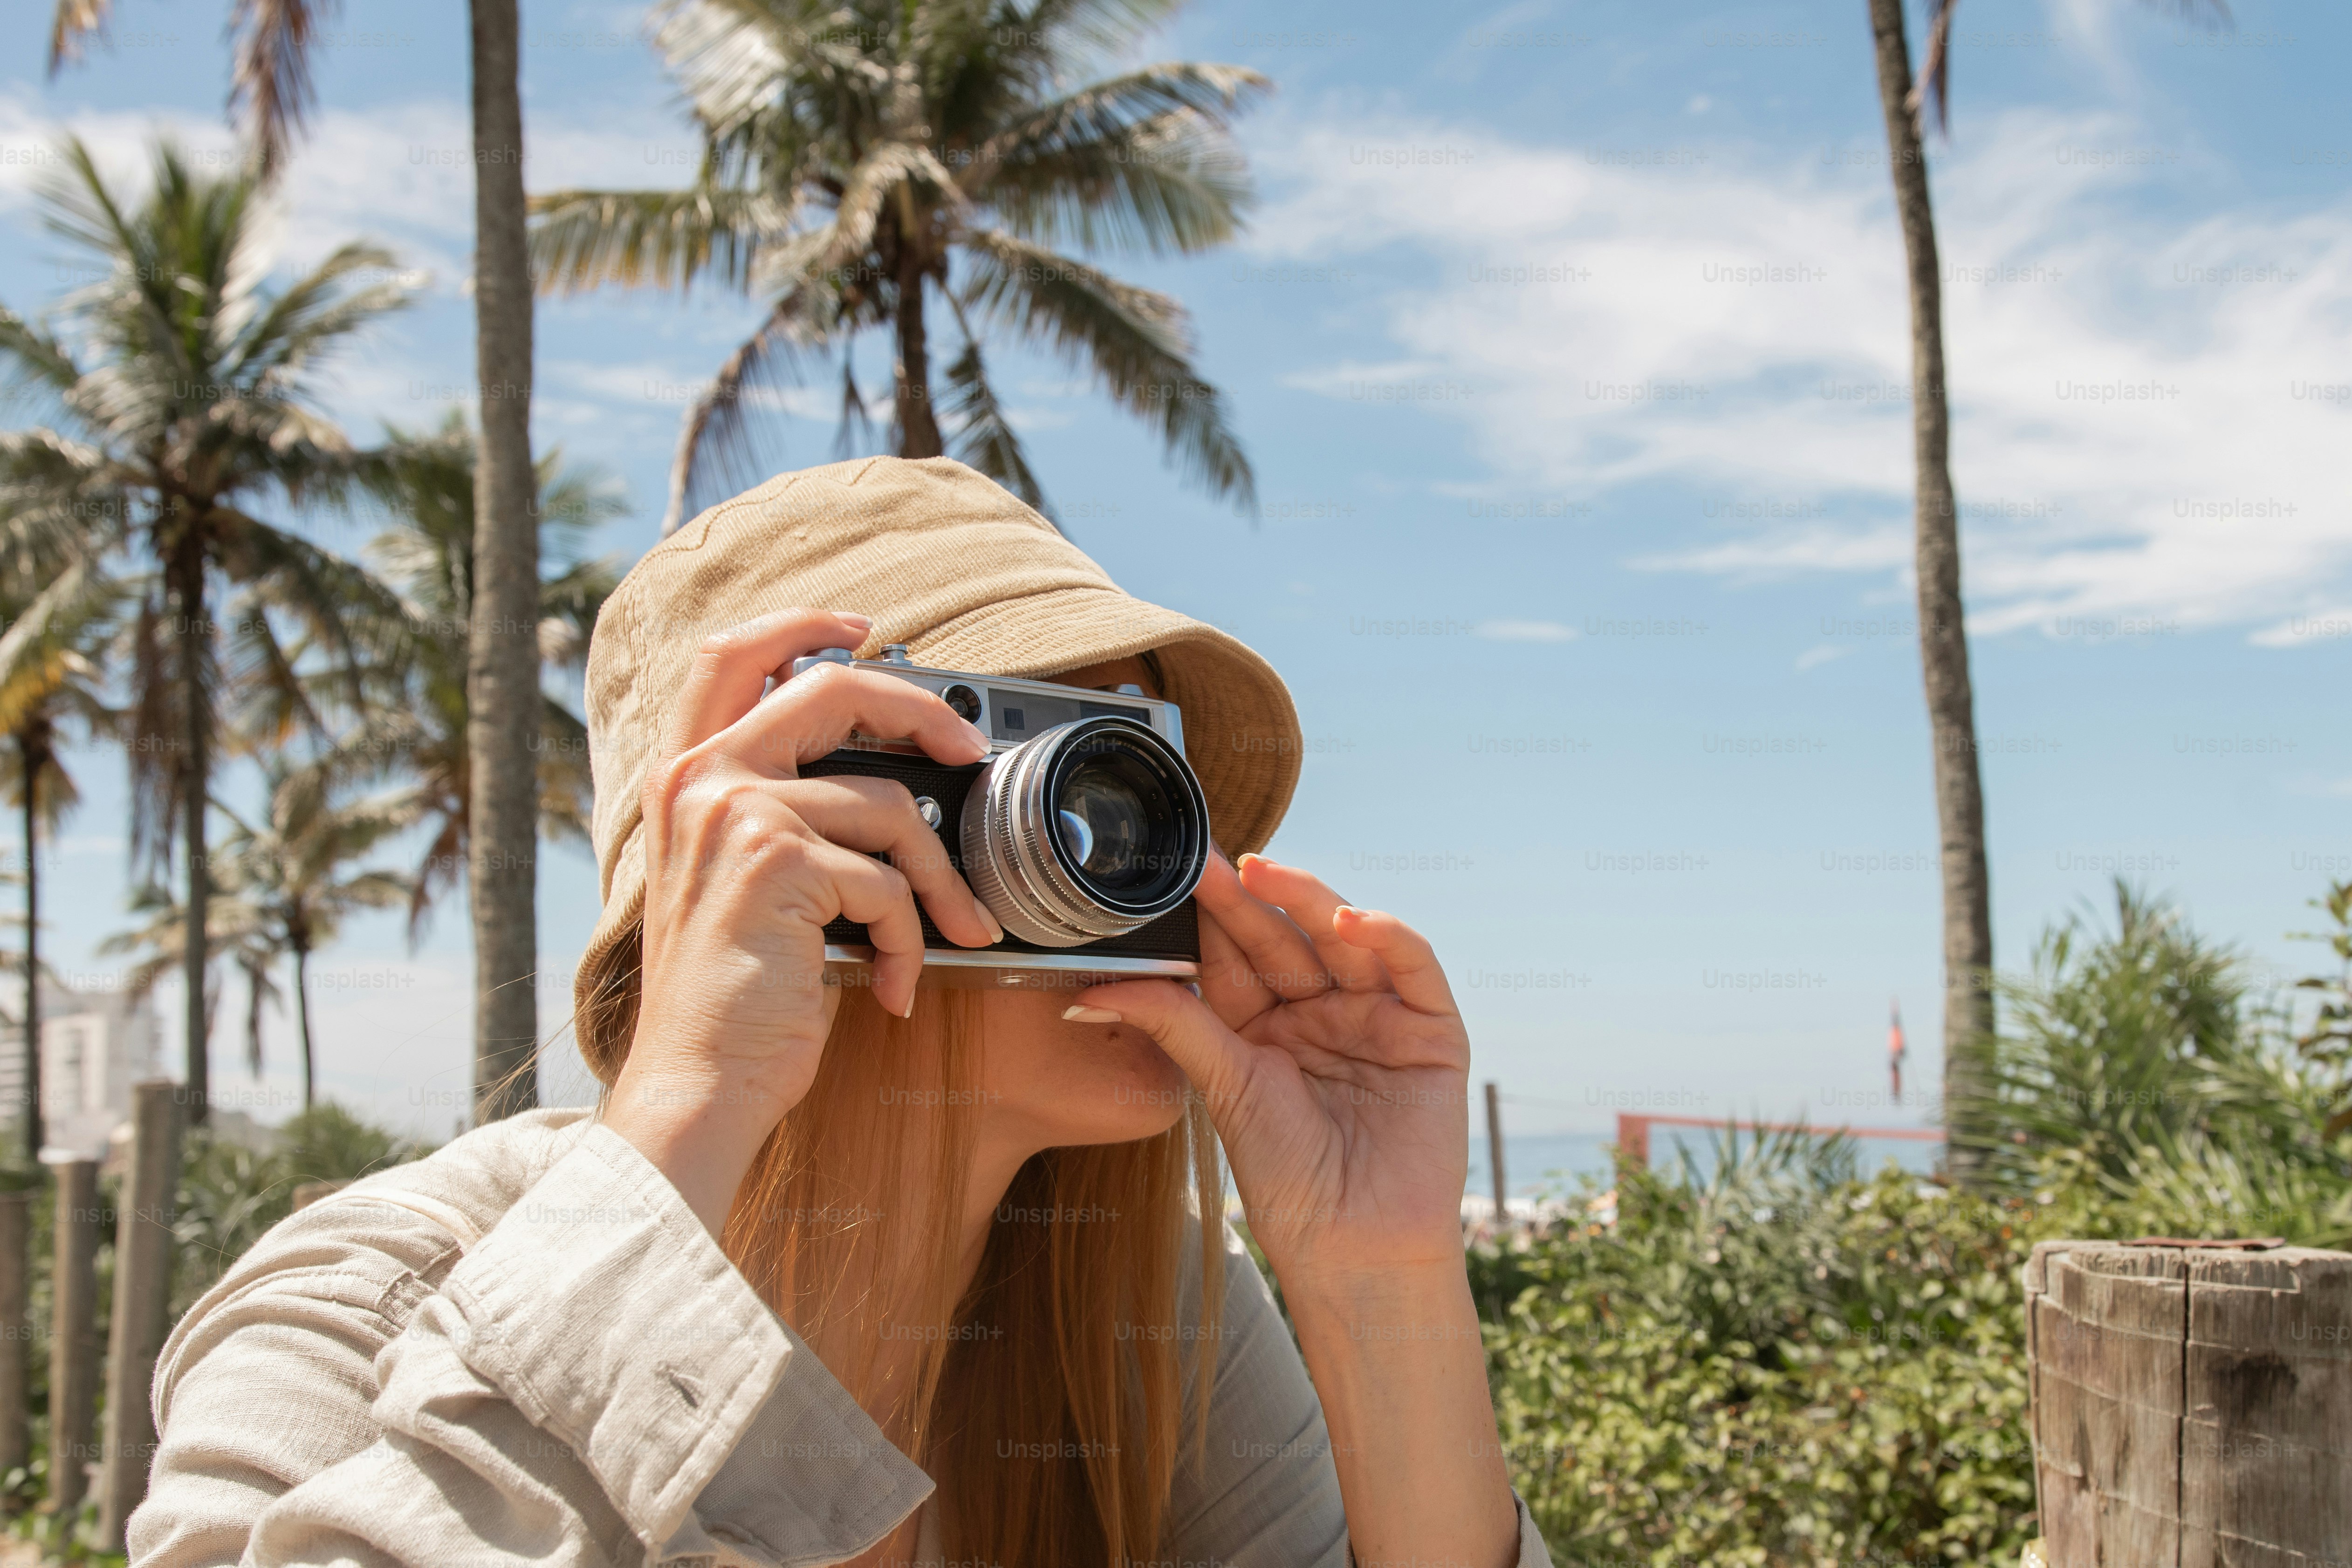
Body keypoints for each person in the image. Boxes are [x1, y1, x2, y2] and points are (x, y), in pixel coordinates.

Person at [130, 457, 1551, 1568]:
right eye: (1012, 756)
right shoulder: (373, 1304)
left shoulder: (1142, 1330)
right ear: (755, 873)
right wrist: (689, 1103)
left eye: (1128, 768)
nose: (1124, 862)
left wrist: (1379, 1279)